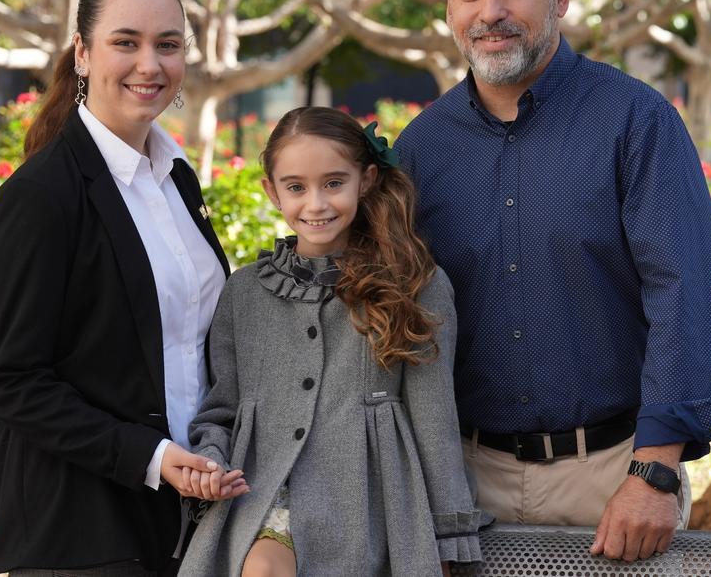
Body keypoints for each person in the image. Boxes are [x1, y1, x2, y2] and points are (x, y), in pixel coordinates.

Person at [394, 0, 711, 563]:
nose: (490, 10)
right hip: (461, 480)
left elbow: (683, 296)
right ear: (450, 7)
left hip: (611, 478)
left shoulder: (637, 121)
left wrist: (655, 472)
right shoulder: (421, 151)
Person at [0, 0, 246, 576]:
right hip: (80, 532)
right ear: (82, 52)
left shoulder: (177, 178)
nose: (149, 65)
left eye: (167, 45)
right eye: (126, 42)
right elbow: (11, 381)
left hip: (184, 520)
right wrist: (151, 455)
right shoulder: (39, 197)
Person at [176, 107, 482, 577]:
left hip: (373, 507)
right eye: (296, 187)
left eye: (333, 183)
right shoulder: (244, 291)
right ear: (272, 192)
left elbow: (434, 419)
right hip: (263, 497)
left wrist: (449, 537)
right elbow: (222, 410)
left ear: (367, 179)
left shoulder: (416, 283)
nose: (315, 204)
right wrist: (210, 460)